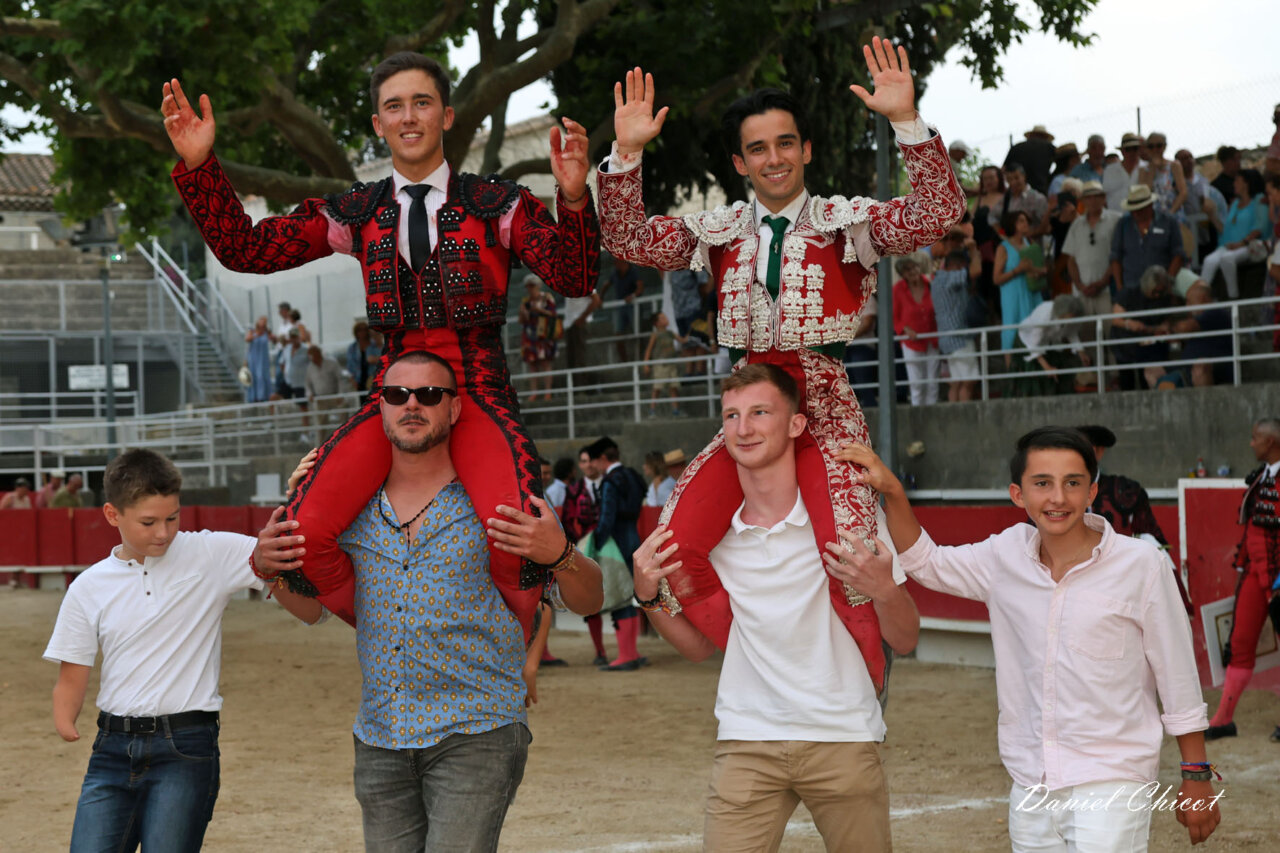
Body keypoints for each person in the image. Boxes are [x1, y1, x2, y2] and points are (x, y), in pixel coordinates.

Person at [162, 51, 600, 632]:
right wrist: (200, 167)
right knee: (302, 534)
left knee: (516, 531)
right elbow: (248, 249)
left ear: (446, 115)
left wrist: (573, 200)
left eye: (422, 102)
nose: (409, 117)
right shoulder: (358, 212)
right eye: (394, 106)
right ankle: (385, 627)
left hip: (478, 391)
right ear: (378, 124)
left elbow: (575, 278)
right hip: (394, 396)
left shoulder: (499, 204)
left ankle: (506, 646)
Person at [596, 38, 962, 694]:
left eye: (786, 143)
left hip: (827, 414)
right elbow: (625, 237)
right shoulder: (717, 232)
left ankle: (864, 687)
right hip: (747, 416)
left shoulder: (846, 223)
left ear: (806, 150)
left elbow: (939, 212)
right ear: (740, 161)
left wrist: (907, 121)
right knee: (674, 554)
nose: (774, 158)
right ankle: (758, 662)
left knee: (851, 559)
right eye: (758, 148)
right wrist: (626, 154)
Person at [259, 351, 602, 848]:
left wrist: (562, 554)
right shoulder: (349, 510)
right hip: (379, 739)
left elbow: (591, 600)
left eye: (430, 394)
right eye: (397, 395)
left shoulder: (500, 502)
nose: (412, 405)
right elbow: (311, 610)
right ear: (380, 408)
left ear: (455, 408)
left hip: (478, 732)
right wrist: (270, 568)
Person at [839, 429, 1221, 851]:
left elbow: (1178, 675)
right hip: (1031, 782)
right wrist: (892, 489)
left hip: (1113, 782)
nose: (1058, 497)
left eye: (1072, 483)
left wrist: (1196, 775)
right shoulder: (1004, 555)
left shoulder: (1143, 565)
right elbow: (927, 563)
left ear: (1092, 491)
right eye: (1042, 483)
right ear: (1017, 495)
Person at [632, 364, 919, 851]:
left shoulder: (850, 521)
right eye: (731, 416)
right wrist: (647, 594)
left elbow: (907, 638)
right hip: (746, 740)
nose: (743, 428)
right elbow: (698, 649)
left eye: (760, 412)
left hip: (843, 736)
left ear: (795, 425)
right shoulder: (711, 543)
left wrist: (886, 589)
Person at [42, 449, 321, 852]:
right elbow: (73, 670)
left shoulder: (212, 552)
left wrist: (270, 561)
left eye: (172, 518)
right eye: (148, 522)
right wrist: (65, 718)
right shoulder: (87, 587)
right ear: (111, 514)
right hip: (110, 751)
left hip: (186, 749)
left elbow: (311, 611)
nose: (163, 533)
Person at [1205, 418, 1280, 743]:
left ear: (1271, 442)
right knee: (1240, 644)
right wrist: (1242, 567)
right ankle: (1223, 719)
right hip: (1255, 574)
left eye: (1255, 438)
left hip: (1278, 577)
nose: (1251, 444)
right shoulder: (1260, 477)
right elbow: (1252, 528)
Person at [588, 438, 648, 671]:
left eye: (597, 460)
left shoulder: (611, 481)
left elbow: (607, 517)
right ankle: (631, 651)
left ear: (604, 458)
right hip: (634, 538)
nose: (596, 466)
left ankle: (626, 655)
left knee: (620, 594)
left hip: (617, 542)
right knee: (631, 595)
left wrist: (597, 543)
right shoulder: (632, 475)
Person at [1200, 168, 1268, 299]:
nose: (1234, 183)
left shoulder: (1259, 200)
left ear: (1246, 183)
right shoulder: (1235, 203)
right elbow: (1224, 229)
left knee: (1227, 260)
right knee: (1209, 261)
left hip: (1249, 246)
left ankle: (1233, 298)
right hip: (1227, 246)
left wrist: (1241, 243)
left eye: (1237, 180)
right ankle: (1202, 298)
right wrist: (1212, 215)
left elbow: (1261, 226)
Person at [930, 246, 983, 402]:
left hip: (948, 339)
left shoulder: (937, 280)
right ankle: (965, 417)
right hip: (960, 338)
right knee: (969, 382)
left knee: (957, 383)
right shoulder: (949, 278)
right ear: (957, 266)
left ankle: (953, 416)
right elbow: (976, 270)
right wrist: (974, 251)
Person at [1062, 181, 1121, 322]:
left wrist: (1101, 283)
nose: (1092, 201)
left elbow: (1118, 256)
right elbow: (1071, 260)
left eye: (1096, 196)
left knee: (1110, 332)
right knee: (1087, 335)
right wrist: (1080, 286)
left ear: (1103, 198)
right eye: (1088, 197)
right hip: (1083, 293)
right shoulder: (1076, 225)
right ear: (1082, 201)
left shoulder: (1115, 219)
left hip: (1107, 290)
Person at [1110, 184, 1185, 294]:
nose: (1136, 213)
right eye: (1132, 210)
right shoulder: (1123, 224)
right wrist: (1120, 287)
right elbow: (1115, 257)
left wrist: (1168, 281)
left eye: (1140, 209)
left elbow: (1178, 254)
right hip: (1131, 288)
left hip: (1160, 288)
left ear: (1150, 205)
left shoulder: (1168, 222)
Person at [1111, 264, 1176, 391]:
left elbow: (1167, 318)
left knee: (1146, 379)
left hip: (1150, 345)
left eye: (1160, 292)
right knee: (1126, 379)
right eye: (1155, 291)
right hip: (1126, 343)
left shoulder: (1165, 297)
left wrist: (1164, 326)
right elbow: (1116, 319)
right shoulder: (1129, 292)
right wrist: (1129, 324)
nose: (1157, 295)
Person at [1010, 294, 1089, 396]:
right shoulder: (1045, 313)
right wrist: (1047, 367)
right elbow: (1033, 343)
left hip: (1046, 343)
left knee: (1054, 370)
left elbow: (1071, 333)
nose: (1073, 319)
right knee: (1037, 375)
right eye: (1072, 316)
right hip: (1027, 341)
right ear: (1064, 312)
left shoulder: (1071, 318)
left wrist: (1081, 352)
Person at [993, 210, 1044, 354]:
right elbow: (996, 278)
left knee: (1036, 330)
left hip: (1031, 293)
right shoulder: (1003, 248)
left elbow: (1039, 267)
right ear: (1012, 225)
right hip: (1013, 296)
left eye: (1026, 220)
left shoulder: (1031, 244)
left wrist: (1039, 272)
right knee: (1012, 331)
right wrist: (1018, 270)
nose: (1026, 223)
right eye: (1021, 221)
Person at [1171, 272, 1234, 386]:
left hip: (1214, 370)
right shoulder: (1199, 317)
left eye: (1189, 301)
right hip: (1185, 370)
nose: (1187, 306)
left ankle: (1205, 403)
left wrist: (1172, 327)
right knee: (1153, 371)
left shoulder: (1216, 312)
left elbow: (1185, 327)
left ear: (1203, 299)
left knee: (1201, 367)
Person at [893, 254, 939, 406]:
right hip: (911, 342)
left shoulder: (930, 284)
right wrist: (905, 330)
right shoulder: (897, 290)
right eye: (907, 269)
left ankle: (931, 415)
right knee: (916, 384)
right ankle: (917, 416)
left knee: (932, 382)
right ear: (902, 274)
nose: (912, 271)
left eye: (914, 267)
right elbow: (893, 317)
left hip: (932, 339)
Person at [518, 274, 558, 402]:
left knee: (545, 362)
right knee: (532, 364)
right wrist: (524, 313)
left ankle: (547, 392)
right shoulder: (525, 302)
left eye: (533, 286)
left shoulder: (547, 298)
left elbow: (553, 314)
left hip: (543, 334)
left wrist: (539, 310)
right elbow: (521, 320)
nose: (530, 289)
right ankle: (534, 392)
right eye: (529, 286)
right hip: (530, 335)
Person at [642, 311, 685, 416]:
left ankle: (676, 410)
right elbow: (649, 350)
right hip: (660, 365)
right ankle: (652, 410)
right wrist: (646, 364)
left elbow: (682, 340)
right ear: (656, 323)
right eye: (662, 318)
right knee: (657, 388)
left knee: (673, 387)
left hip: (671, 364)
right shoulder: (655, 335)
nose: (665, 318)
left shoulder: (670, 333)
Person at [1138, 132, 1186, 220]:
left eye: (1159, 146)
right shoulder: (1143, 170)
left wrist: (1171, 213)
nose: (1155, 149)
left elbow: (1183, 192)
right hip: (1153, 216)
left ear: (1164, 147)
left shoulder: (1174, 165)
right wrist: (1152, 169)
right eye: (1151, 146)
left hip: (1174, 214)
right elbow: (1144, 193)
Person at [994, 162, 1050, 238]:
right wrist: (1003, 235)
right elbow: (993, 218)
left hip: (1032, 245)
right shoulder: (1005, 199)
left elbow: (1047, 227)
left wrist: (1029, 235)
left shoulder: (1038, 198)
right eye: (1009, 179)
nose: (1013, 182)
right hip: (1011, 245)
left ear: (1024, 176)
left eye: (1016, 178)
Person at [606, 256, 645, 362]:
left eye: (617, 261)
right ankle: (624, 361)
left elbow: (640, 287)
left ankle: (641, 357)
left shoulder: (633, 271)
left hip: (633, 305)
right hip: (620, 306)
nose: (615, 264)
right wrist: (600, 297)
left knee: (638, 332)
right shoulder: (614, 273)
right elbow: (606, 285)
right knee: (618, 335)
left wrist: (632, 296)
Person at [1004, 124, 1057, 195]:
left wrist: (1011, 181)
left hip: (1017, 190)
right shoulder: (1050, 147)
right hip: (1041, 188)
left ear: (1031, 135)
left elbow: (1004, 169)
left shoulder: (1016, 147)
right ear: (1045, 137)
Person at [1103, 132, 1146, 212]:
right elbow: (1104, 195)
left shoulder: (1147, 168)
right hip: (1115, 216)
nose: (1132, 152)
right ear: (1122, 151)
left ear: (1140, 150)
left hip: (1141, 217)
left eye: (1135, 148)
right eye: (1128, 149)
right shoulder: (1109, 170)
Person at [346, 321, 382, 394]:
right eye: (359, 330)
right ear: (356, 332)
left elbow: (380, 357)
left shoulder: (374, 345)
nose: (362, 332)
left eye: (364, 329)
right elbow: (350, 365)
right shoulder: (352, 348)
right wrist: (352, 380)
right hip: (359, 379)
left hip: (373, 377)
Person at [244, 315, 273, 403]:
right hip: (254, 358)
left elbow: (273, 338)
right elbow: (247, 339)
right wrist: (257, 335)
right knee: (254, 376)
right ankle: (254, 397)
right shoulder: (252, 332)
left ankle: (263, 396)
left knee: (262, 376)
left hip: (263, 359)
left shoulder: (266, 332)